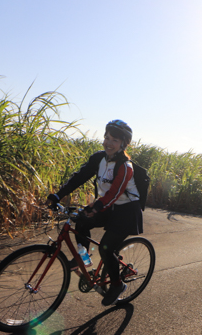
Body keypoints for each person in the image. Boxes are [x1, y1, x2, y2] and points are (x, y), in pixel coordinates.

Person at [47, 119, 143, 305]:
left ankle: (117, 285)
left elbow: (115, 192)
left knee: (106, 247)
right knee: (81, 221)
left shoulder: (125, 167)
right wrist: (58, 196)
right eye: (106, 137)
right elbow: (79, 177)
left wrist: (96, 207)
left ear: (123, 143)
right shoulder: (99, 158)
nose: (108, 142)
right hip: (108, 205)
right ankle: (83, 259)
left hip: (127, 211)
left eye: (114, 140)